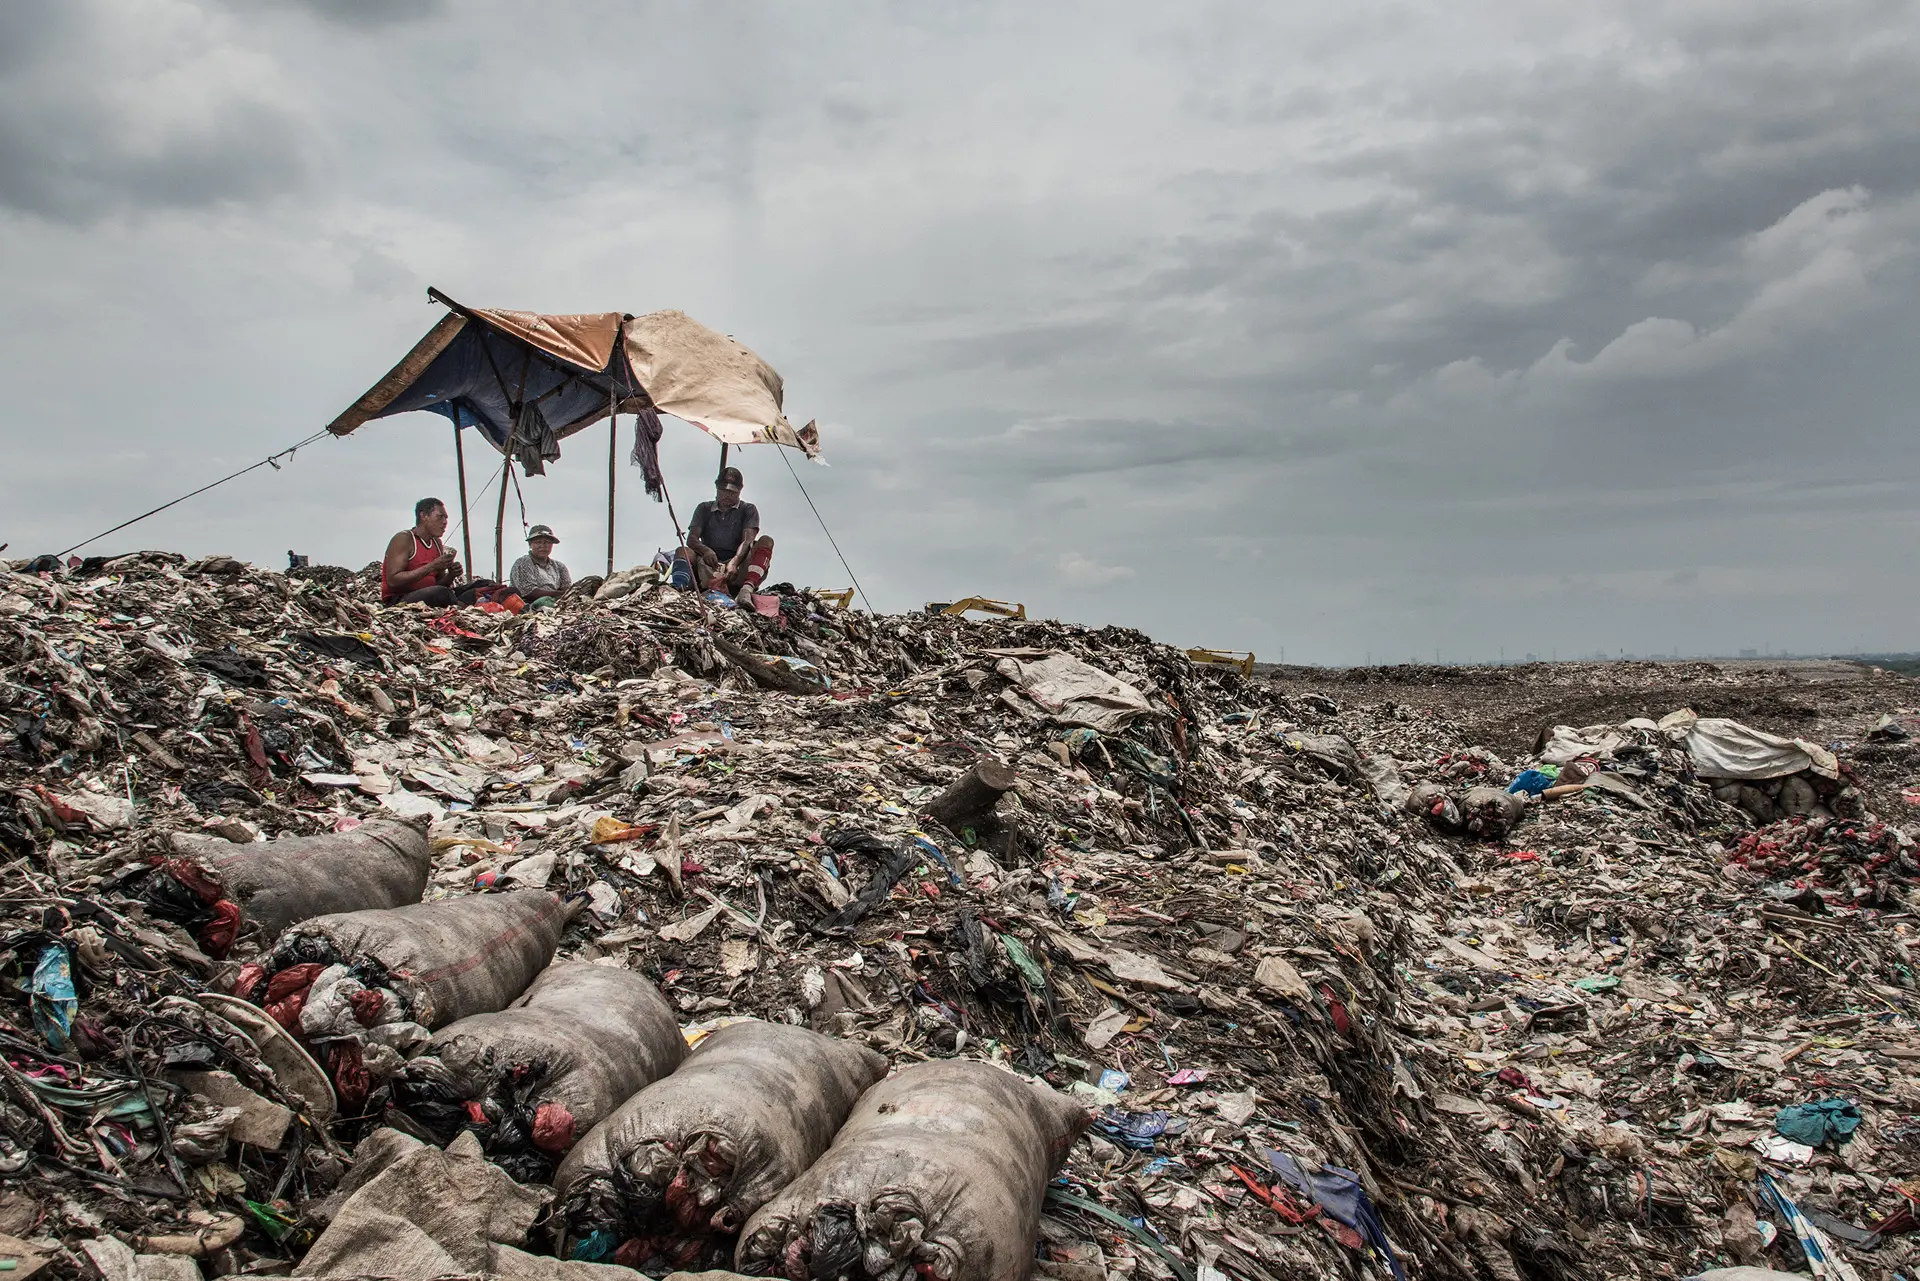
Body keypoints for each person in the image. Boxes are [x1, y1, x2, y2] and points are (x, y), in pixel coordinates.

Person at [680, 466, 773, 604]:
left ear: (739, 491)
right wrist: (705, 550)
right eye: (723, 491)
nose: (727, 496)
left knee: (766, 541)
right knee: (683, 552)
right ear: (717, 488)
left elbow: (747, 540)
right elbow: (692, 538)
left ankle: (747, 588)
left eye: (732, 492)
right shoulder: (704, 508)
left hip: (738, 567)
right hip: (709, 565)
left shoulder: (748, 509)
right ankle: (679, 587)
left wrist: (734, 562)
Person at [381, 497, 469, 606]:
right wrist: (431, 567)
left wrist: (451, 575)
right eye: (440, 517)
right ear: (424, 516)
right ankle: (461, 605)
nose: (445, 522)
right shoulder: (404, 539)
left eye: (446, 518)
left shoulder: (437, 543)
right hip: (400, 599)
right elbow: (393, 580)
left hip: (429, 594)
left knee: (481, 586)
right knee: (441, 593)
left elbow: (439, 583)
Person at [509, 525, 572, 606]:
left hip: (556, 603)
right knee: (542, 601)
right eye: (538, 542)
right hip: (528, 606)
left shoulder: (559, 566)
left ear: (552, 545)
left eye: (547, 542)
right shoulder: (523, 562)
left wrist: (565, 594)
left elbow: (567, 589)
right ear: (530, 544)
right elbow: (529, 592)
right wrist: (560, 594)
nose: (543, 545)